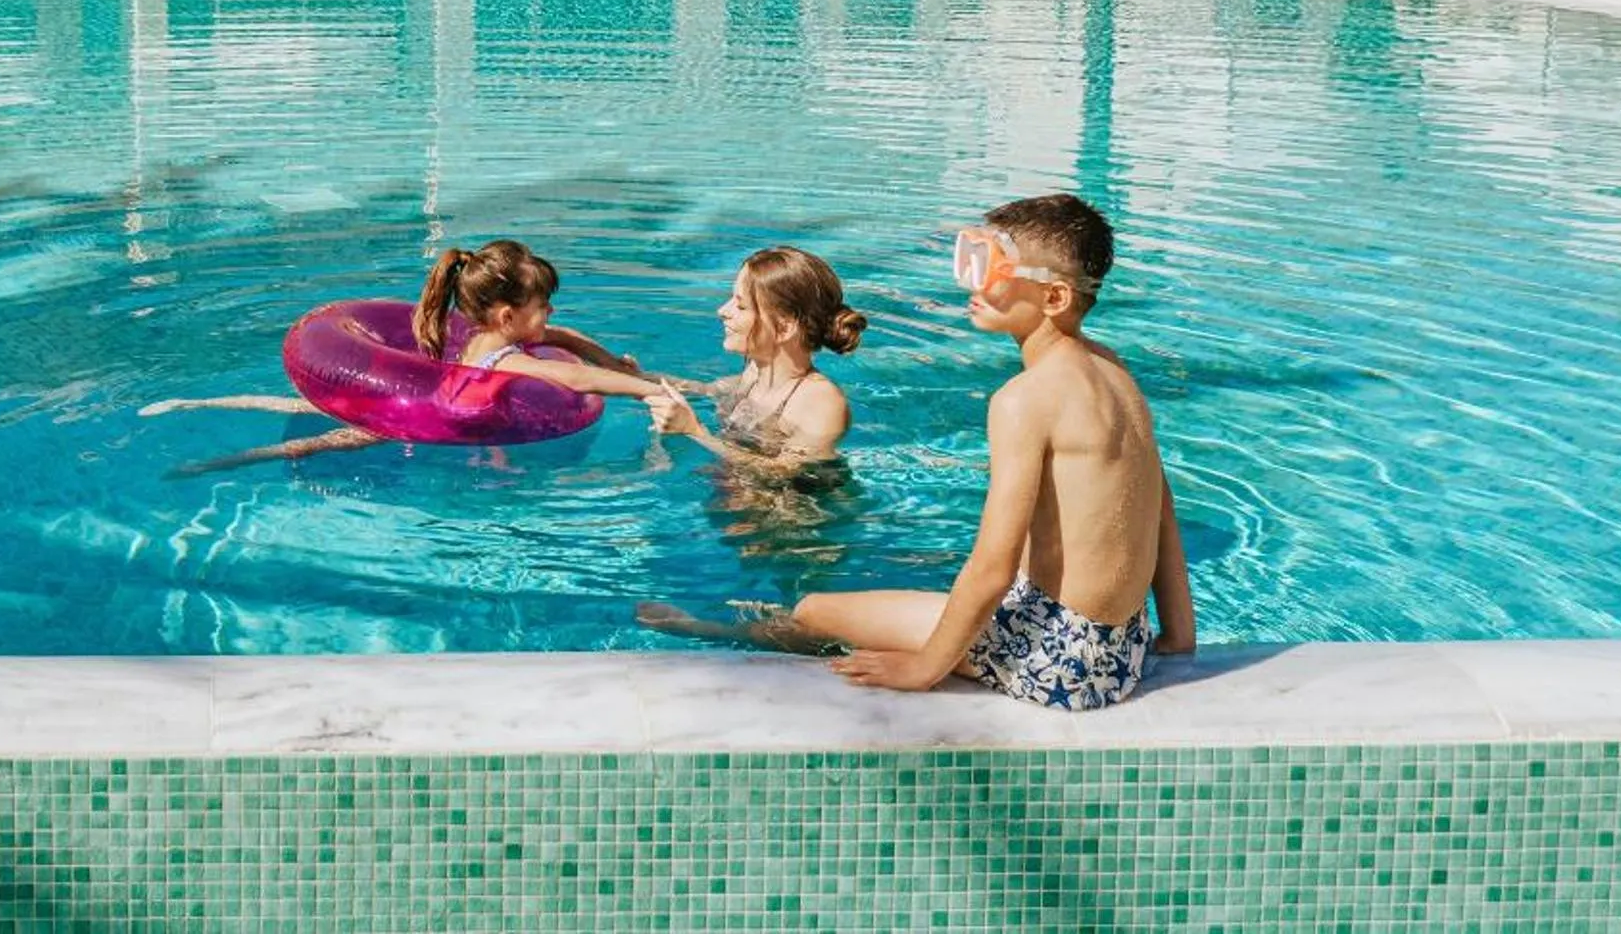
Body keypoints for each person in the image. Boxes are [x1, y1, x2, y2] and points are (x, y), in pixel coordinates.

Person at [793, 193, 1194, 709]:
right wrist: (1179, 638)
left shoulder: (1023, 400)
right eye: (973, 259)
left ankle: (726, 637)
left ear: (1053, 298)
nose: (975, 283)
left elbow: (992, 566)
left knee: (809, 612)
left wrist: (924, 668)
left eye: (992, 267)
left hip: (1054, 662)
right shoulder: (1114, 370)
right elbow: (1160, 509)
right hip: (1119, 653)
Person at [139, 240, 673, 466]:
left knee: (296, 408)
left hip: (437, 395)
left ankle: (192, 402)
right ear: (509, 315)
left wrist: (624, 366)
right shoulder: (510, 360)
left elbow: (568, 341)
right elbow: (576, 382)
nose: (551, 314)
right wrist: (649, 390)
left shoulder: (489, 338)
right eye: (544, 305)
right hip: (416, 420)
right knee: (315, 446)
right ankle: (221, 462)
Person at [647, 246, 862, 466]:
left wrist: (694, 430)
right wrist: (640, 376)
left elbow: (782, 473)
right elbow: (708, 390)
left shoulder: (821, 402)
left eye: (740, 306)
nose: (722, 310)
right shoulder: (755, 371)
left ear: (784, 328)